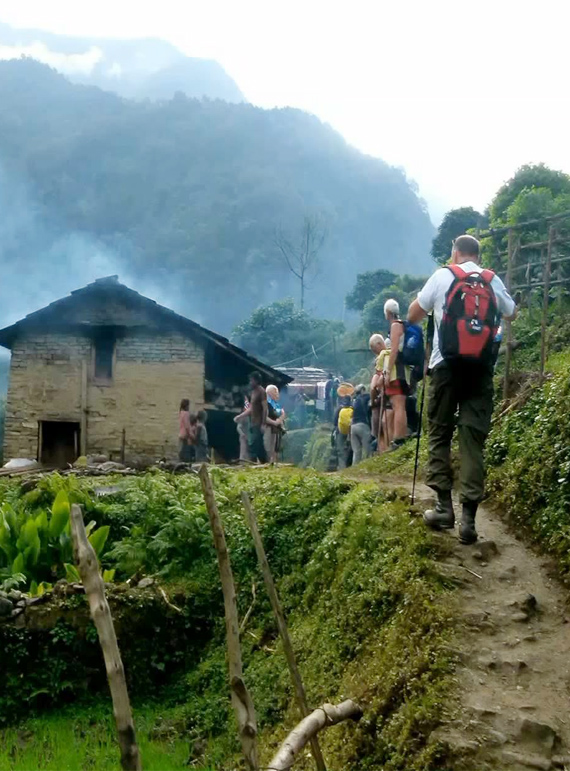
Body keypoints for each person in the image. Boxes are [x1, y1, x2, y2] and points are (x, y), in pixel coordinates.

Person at [408, 234, 517, 544]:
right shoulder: (491, 280)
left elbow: (414, 314)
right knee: (472, 439)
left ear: (454, 253)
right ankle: (469, 520)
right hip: (480, 370)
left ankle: (444, 509)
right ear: (477, 257)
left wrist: (432, 309)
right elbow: (511, 313)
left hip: (446, 367)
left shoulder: (443, 275)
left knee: (440, 433)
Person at [383, 299, 411, 447]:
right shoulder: (402, 324)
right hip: (402, 370)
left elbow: (394, 350)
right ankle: (399, 437)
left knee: (398, 404)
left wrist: (388, 371)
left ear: (387, 313)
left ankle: (399, 438)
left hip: (396, 371)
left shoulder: (395, 326)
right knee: (399, 405)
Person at [234, 372, 268, 463]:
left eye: (251, 380)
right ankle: (266, 464)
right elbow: (251, 409)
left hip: (258, 423)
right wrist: (240, 416)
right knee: (259, 447)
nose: (250, 382)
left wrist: (263, 424)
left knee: (252, 446)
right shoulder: (253, 392)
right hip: (252, 423)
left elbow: (265, 409)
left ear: (256, 381)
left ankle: (252, 464)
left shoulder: (262, 391)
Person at [350, 384, 372, 464]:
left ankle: (354, 470)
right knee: (367, 449)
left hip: (353, 427)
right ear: (362, 390)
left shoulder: (354, 400)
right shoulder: (366, 397)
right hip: (362, 425)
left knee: (356, 451)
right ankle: (368, 466)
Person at [264, 384, 286, 463]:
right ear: (270, 393)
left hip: (275, 429)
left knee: (275, 447)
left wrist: (280, 420)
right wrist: (274, 422)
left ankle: (273, 463)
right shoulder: (265, 403)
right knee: (268, 447)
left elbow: (282, 413)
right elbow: (264, 417)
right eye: (275, 392)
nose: (277, 394)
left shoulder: (275, 404)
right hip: (267, 428)